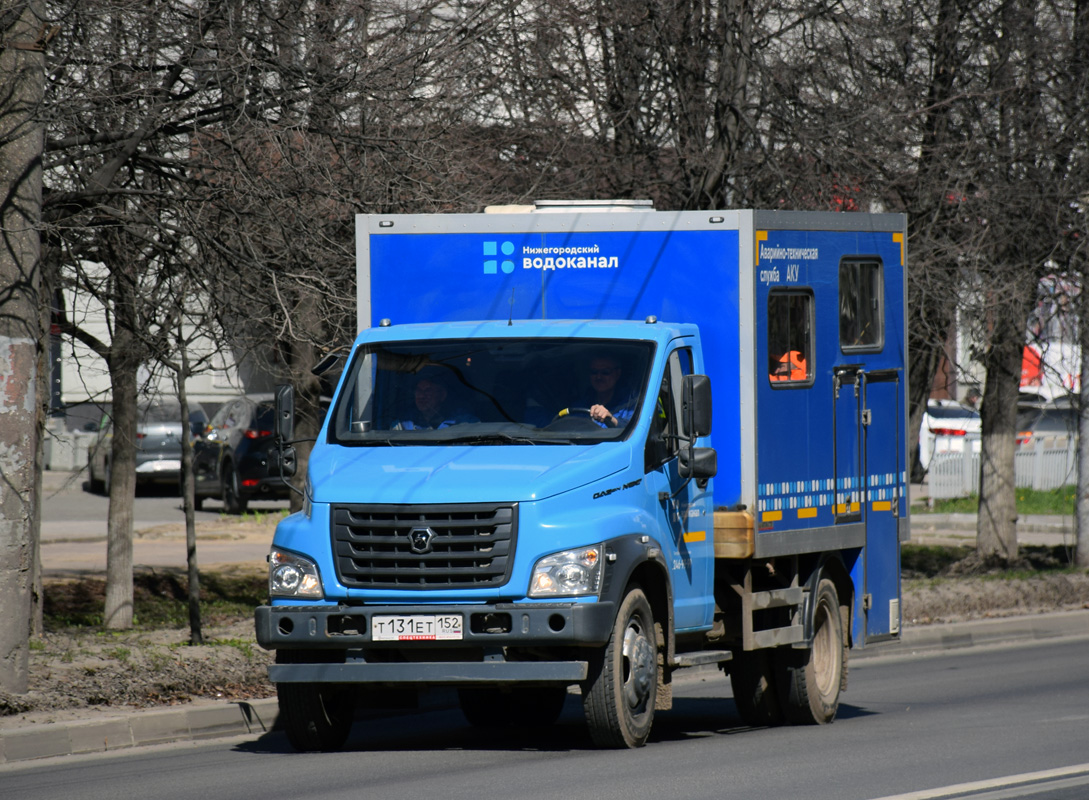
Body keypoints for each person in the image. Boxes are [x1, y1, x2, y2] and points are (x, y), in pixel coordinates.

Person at [392, 373, 474, 430]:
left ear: (442, 395)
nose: (421, 396)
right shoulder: (403, 421)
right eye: (418, 390)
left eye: (428, 390)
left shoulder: (462, 420)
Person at [587, 356, 636, 428]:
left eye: (605, 372)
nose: (598, 377)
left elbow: (636, 430)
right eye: (594, 372)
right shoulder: (581, 403)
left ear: (617, 374)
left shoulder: (631, 403)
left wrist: (611, 419)